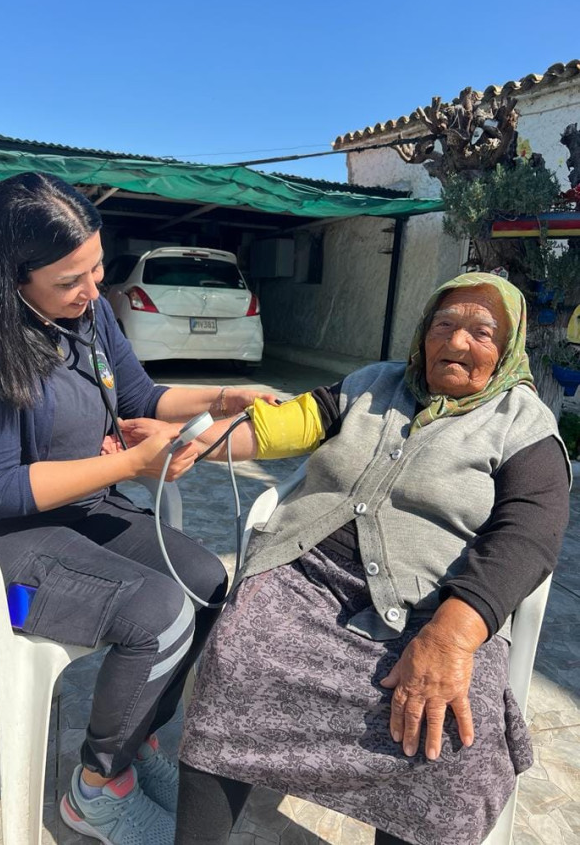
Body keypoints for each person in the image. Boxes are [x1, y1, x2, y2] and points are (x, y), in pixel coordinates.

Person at [122, 272, 570, 845]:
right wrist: (179, 439)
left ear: (507, 351)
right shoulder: (374, 383)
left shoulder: (524, 423)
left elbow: (528, 535)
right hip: (307, 572)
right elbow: (278, 427)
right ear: (423, 333)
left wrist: (455, 634)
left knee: (453, 736)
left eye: (482, 333)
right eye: (445, 325)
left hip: (438, 607)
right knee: (237, 658)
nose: (457, 343)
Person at [0, 172, 276, 845]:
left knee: (204, 582)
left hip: (75, 516)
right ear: (11, 276)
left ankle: (134, 739)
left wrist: (226, 396)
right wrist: (129, 464)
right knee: (156, 611)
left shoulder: (89, 318)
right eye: (70, 281)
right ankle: (97, 788)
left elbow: (142, 398)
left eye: (98, 269)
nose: (92, 291)